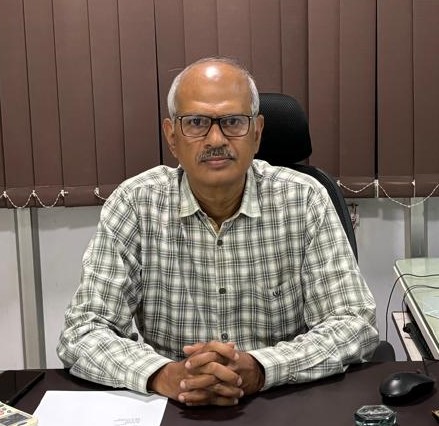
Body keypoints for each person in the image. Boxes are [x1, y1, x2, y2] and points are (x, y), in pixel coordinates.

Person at [57, 56, 379, 407]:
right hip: (174, 407)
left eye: (233, 122)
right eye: (196, 122)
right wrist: (165, 375)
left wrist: (262, 368)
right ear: (172, 136)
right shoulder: (136, 203)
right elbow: (83, 331)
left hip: (281, 402)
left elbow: (354, 322)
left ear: (256, 133)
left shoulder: (303, 199)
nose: (215, 138)